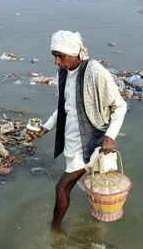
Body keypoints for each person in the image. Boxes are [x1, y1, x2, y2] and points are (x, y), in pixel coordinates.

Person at [28, 30, 127, 226]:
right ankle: (97, 232)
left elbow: (120, 106)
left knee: (62, 188)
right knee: (94, 188)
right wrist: (46, 128)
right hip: (72, 141)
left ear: (74, 52)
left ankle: (55, 231)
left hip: (91, 142)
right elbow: (65, 108)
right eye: (54, 56)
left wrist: (110, 135)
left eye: (60, 56)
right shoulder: (64, 73)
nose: (56, 61)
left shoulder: (96, 73)